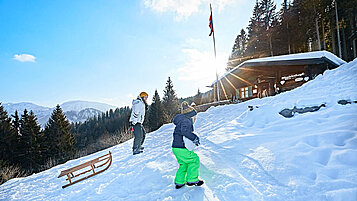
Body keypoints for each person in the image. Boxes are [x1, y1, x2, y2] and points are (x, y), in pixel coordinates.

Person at [172, 101, 204, 189]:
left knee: (184, 164)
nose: (195, 119)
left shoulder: (182, 120)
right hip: (181, 147)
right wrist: (194, 138)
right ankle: (192, 180)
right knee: (194, 160)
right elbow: (185, 131)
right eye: (195, 117)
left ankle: (179, 182)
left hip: (176, 147)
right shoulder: (186, 121)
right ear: (191, 116)